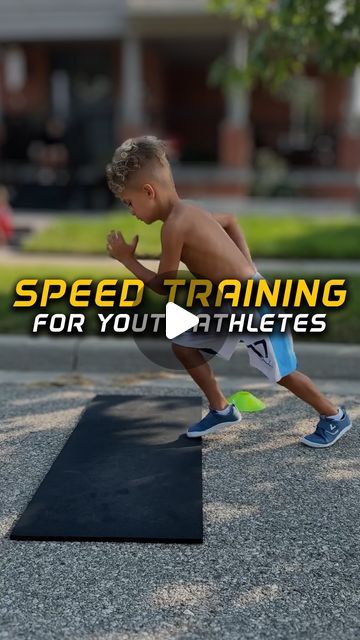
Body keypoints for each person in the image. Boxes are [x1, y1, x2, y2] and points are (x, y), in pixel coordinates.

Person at [105, 136, 352, 448]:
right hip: (226, 303)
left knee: (281, 372)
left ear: (149, 192)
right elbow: (232, 221)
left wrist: (128, 260)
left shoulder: (174, 227)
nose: (131, 211)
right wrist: (247, 267)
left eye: (129, 203)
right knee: (183, 345)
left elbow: (165, 286)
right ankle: (220, 409)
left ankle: (334, 416)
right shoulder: (190, 211)